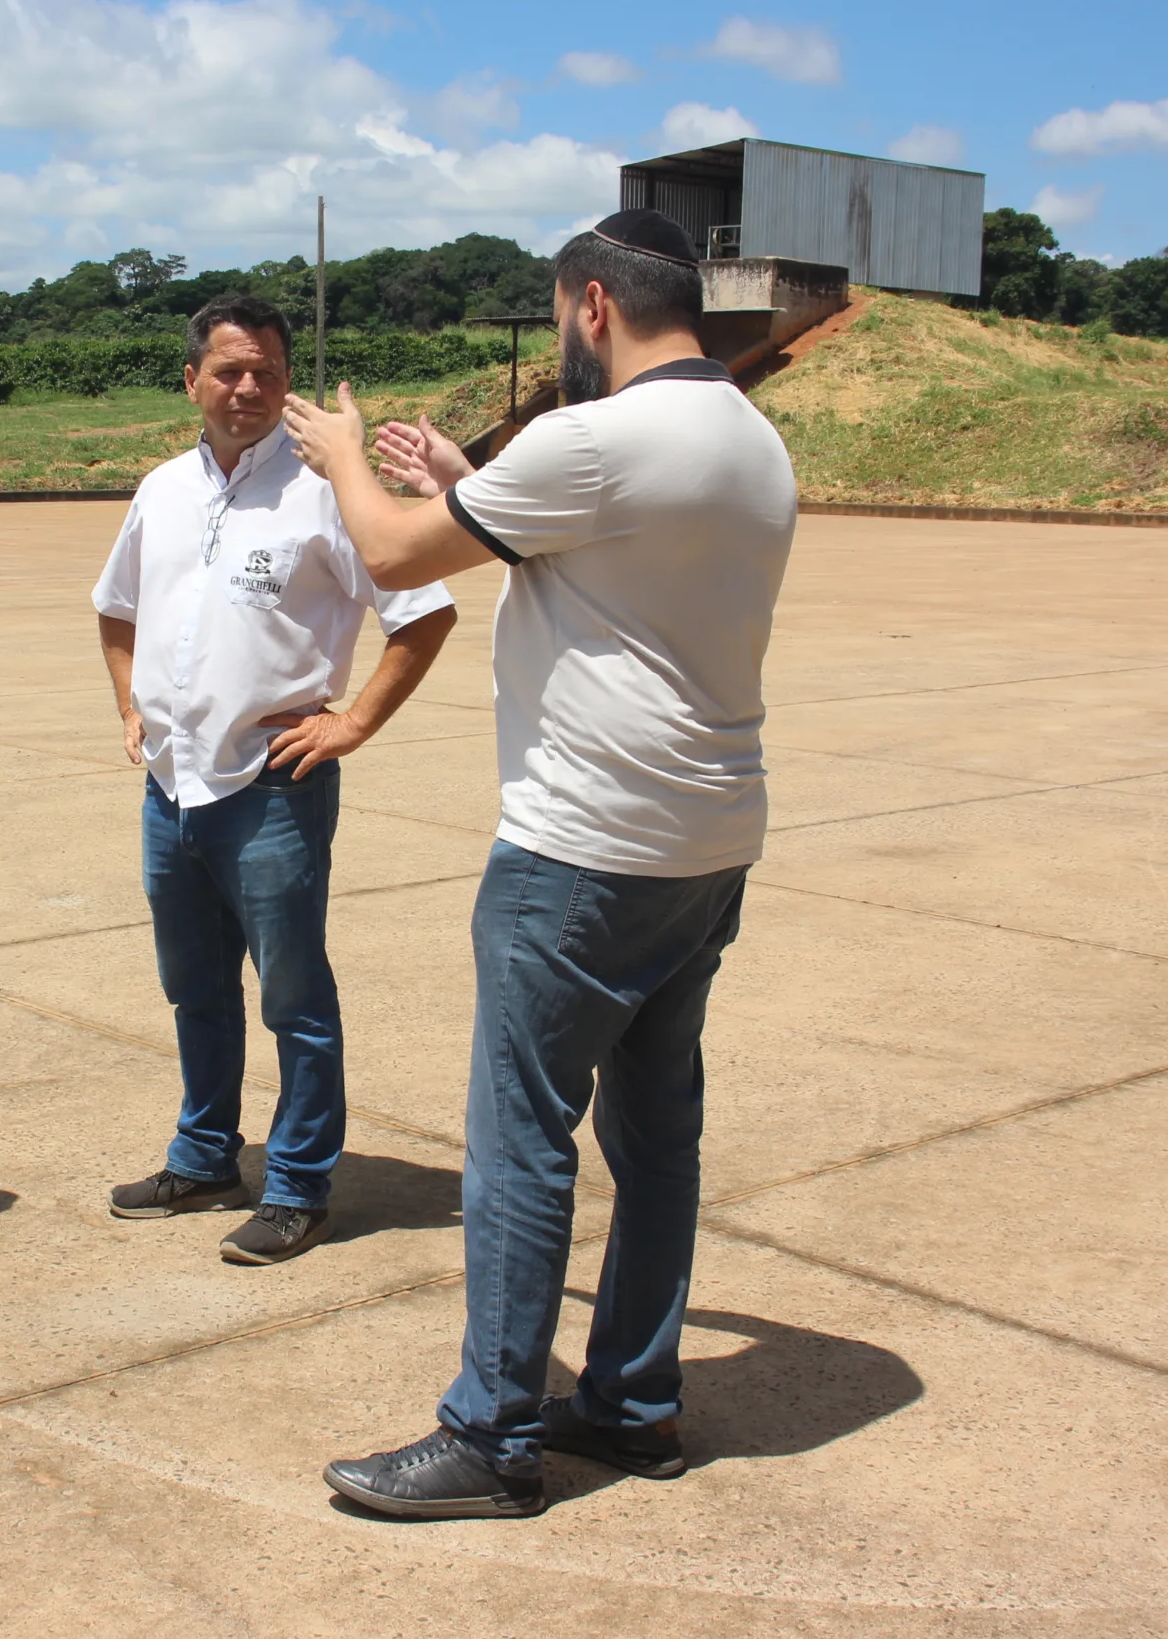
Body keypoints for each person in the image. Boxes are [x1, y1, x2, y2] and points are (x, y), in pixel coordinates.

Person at [280, 209, 798, 1515]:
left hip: (584, 847)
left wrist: (347, 455)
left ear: (589, 308)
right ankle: (632, 1395)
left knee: (521, 1135)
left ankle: (494, 1434)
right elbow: (606, 550)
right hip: (707, 837)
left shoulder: (598, 439)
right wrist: (467, 472)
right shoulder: (746, 430)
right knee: (655, 1126)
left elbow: (397, 549)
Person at [93, 294, 457, 1265]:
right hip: (172, 790)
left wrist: (353, 722)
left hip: (272, 790)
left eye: (266, 371)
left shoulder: (326, 490)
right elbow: (115, 607)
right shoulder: (162, 488)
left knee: (292, 997)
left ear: (288, 382)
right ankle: (206, 1155)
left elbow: (423, 612)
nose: (247, 387)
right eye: (227, 370)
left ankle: (298, 1185)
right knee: (195, 988)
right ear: (192, 382)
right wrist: (131, 706)